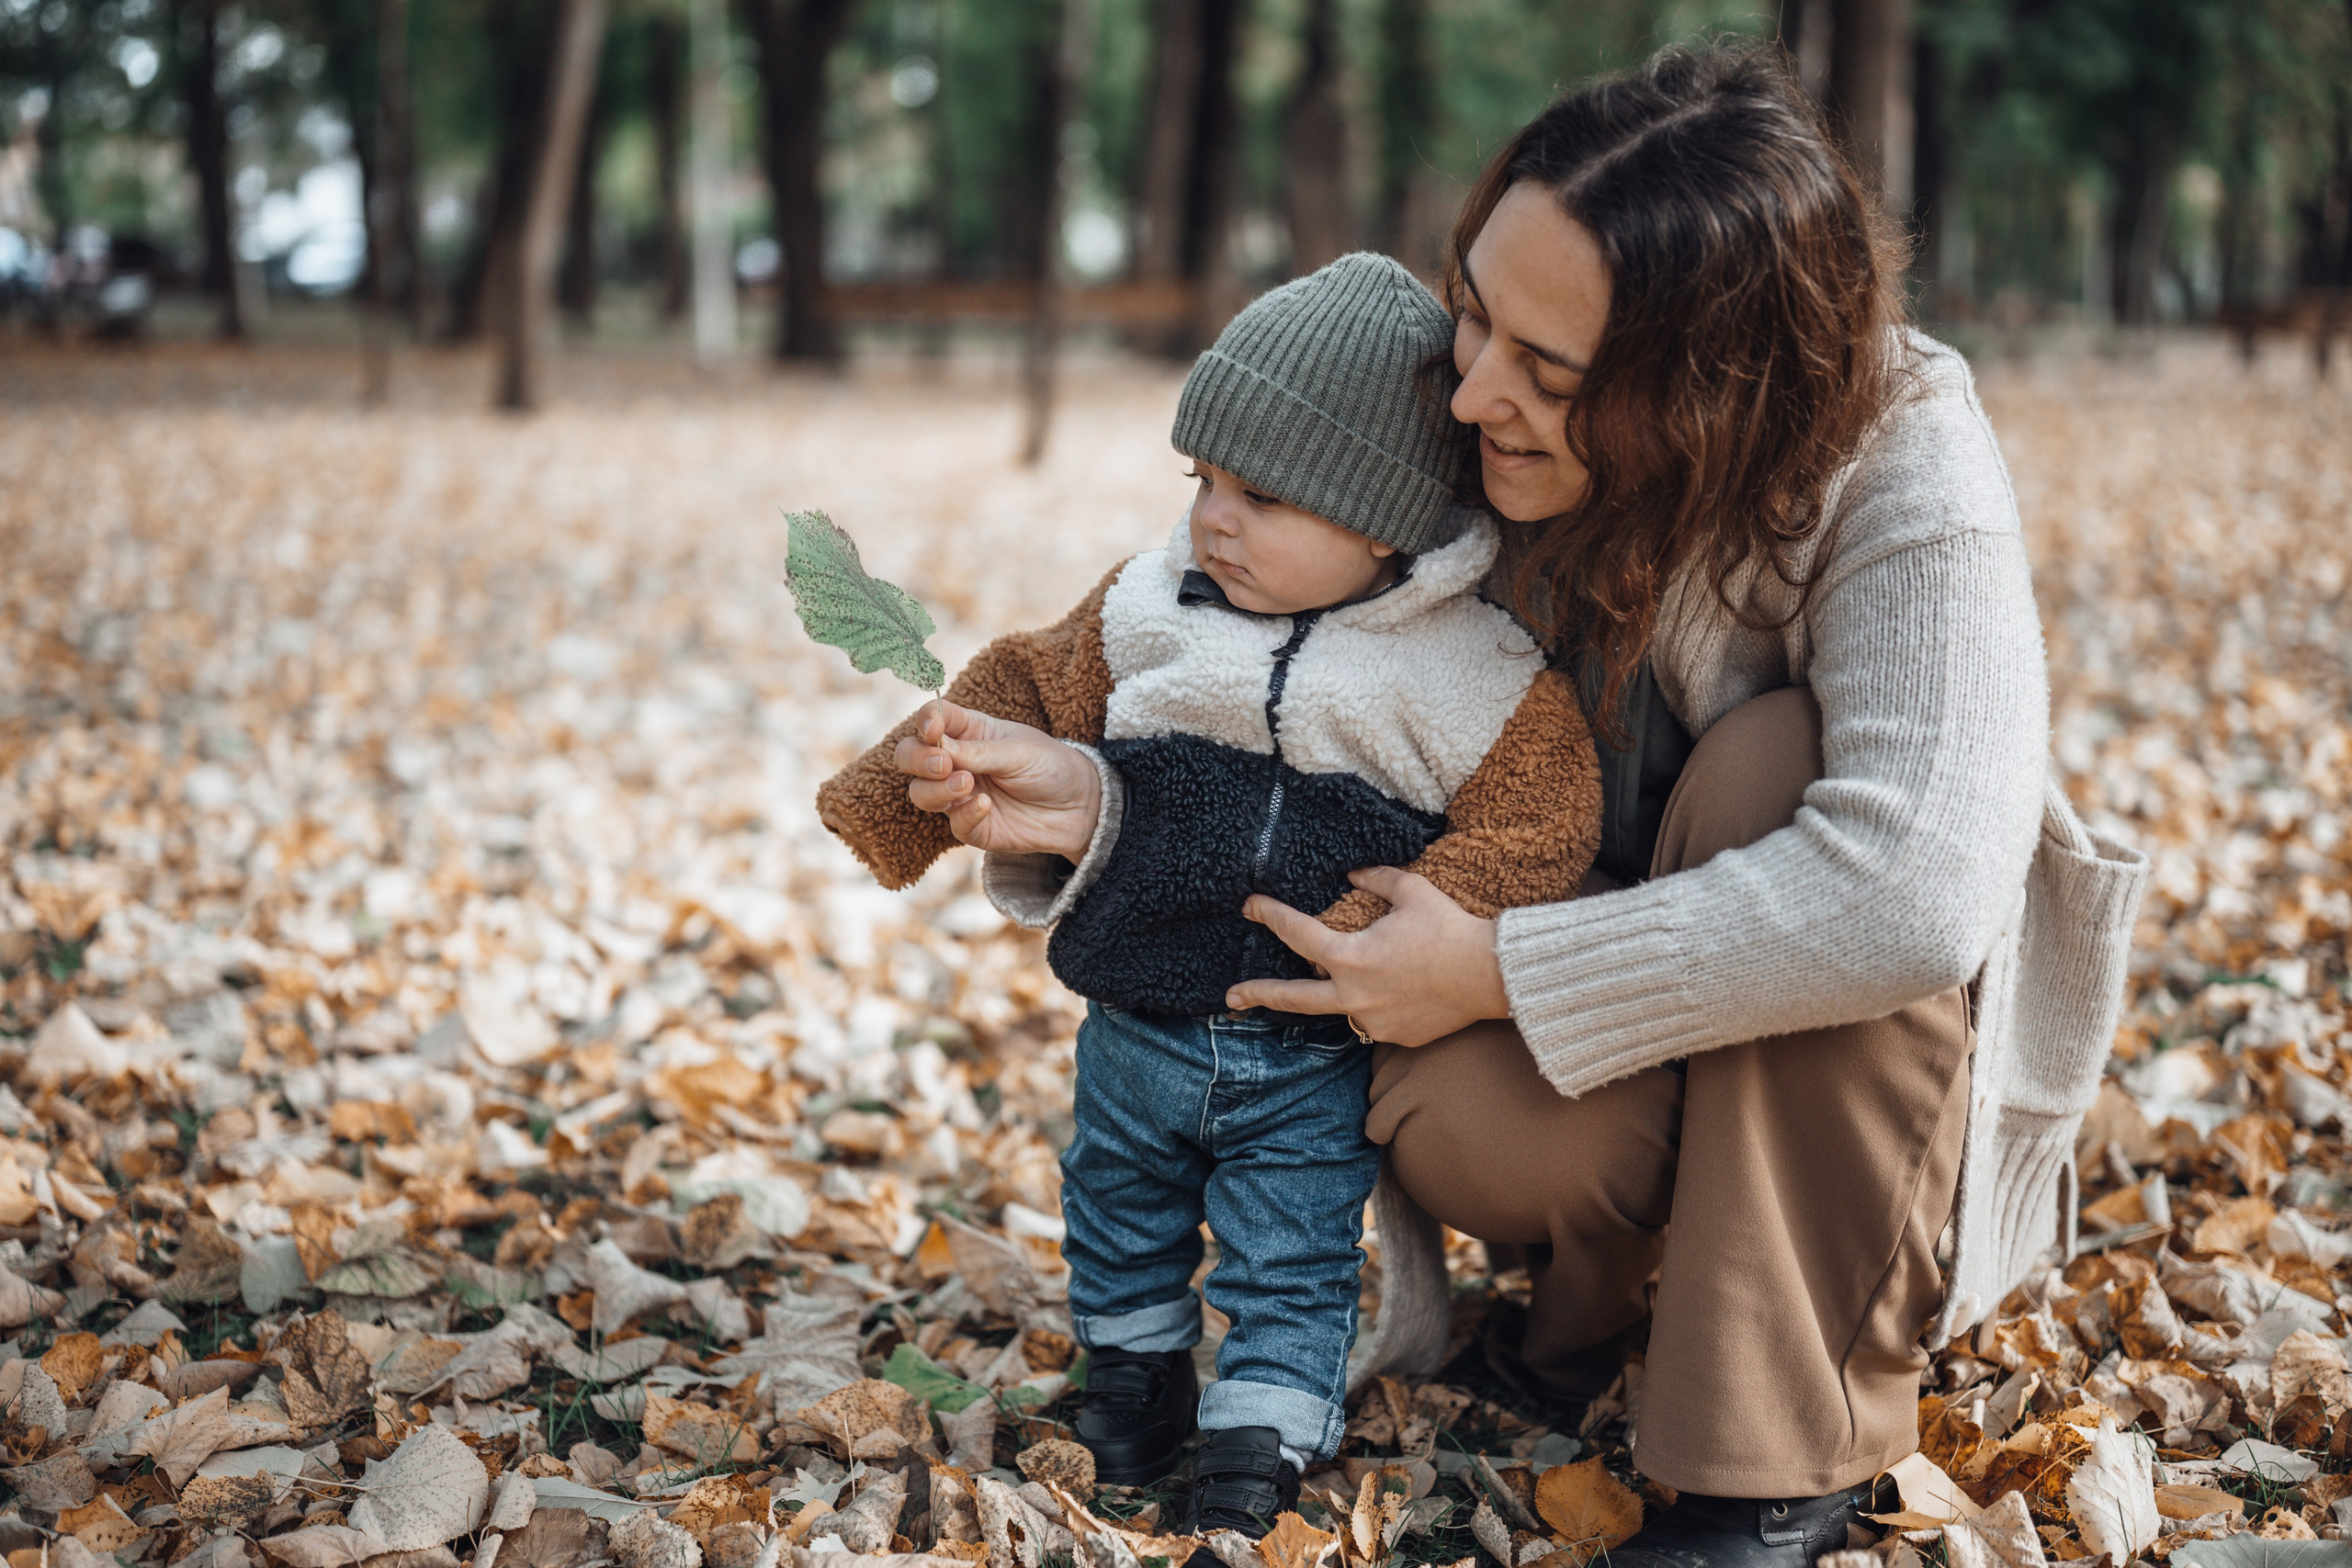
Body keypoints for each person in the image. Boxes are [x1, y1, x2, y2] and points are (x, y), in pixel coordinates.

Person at [879, 41, 2149, 1568]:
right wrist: (1085, 795)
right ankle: (1583, 1327)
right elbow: (1253, 669)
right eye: (1477, 313)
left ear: (1709, 388)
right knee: (1467, 1118)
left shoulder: (1902, 457)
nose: (1476, 389)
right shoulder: (1459, 422)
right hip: (1577, 1020)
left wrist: (1493, 969)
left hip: (1847, 1058)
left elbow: (1921, 885)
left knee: (1772, 761)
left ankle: (1775, 1453)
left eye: (1549, 371)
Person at [815, 254, 1603, 1537]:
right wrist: (902, 789)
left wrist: (1421, 918)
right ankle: (1129, 1384)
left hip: (1310, 1047)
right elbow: (1024, 683)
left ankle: (1261, 1436)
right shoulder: (1151, 600)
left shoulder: (1472, 668)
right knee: (1115, 1211)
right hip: (1133, 1019)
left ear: (1383, 516)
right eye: (1204, 480)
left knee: (1290, 1249)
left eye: (1264, 494)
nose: (1215, 519)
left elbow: (1544, 813)